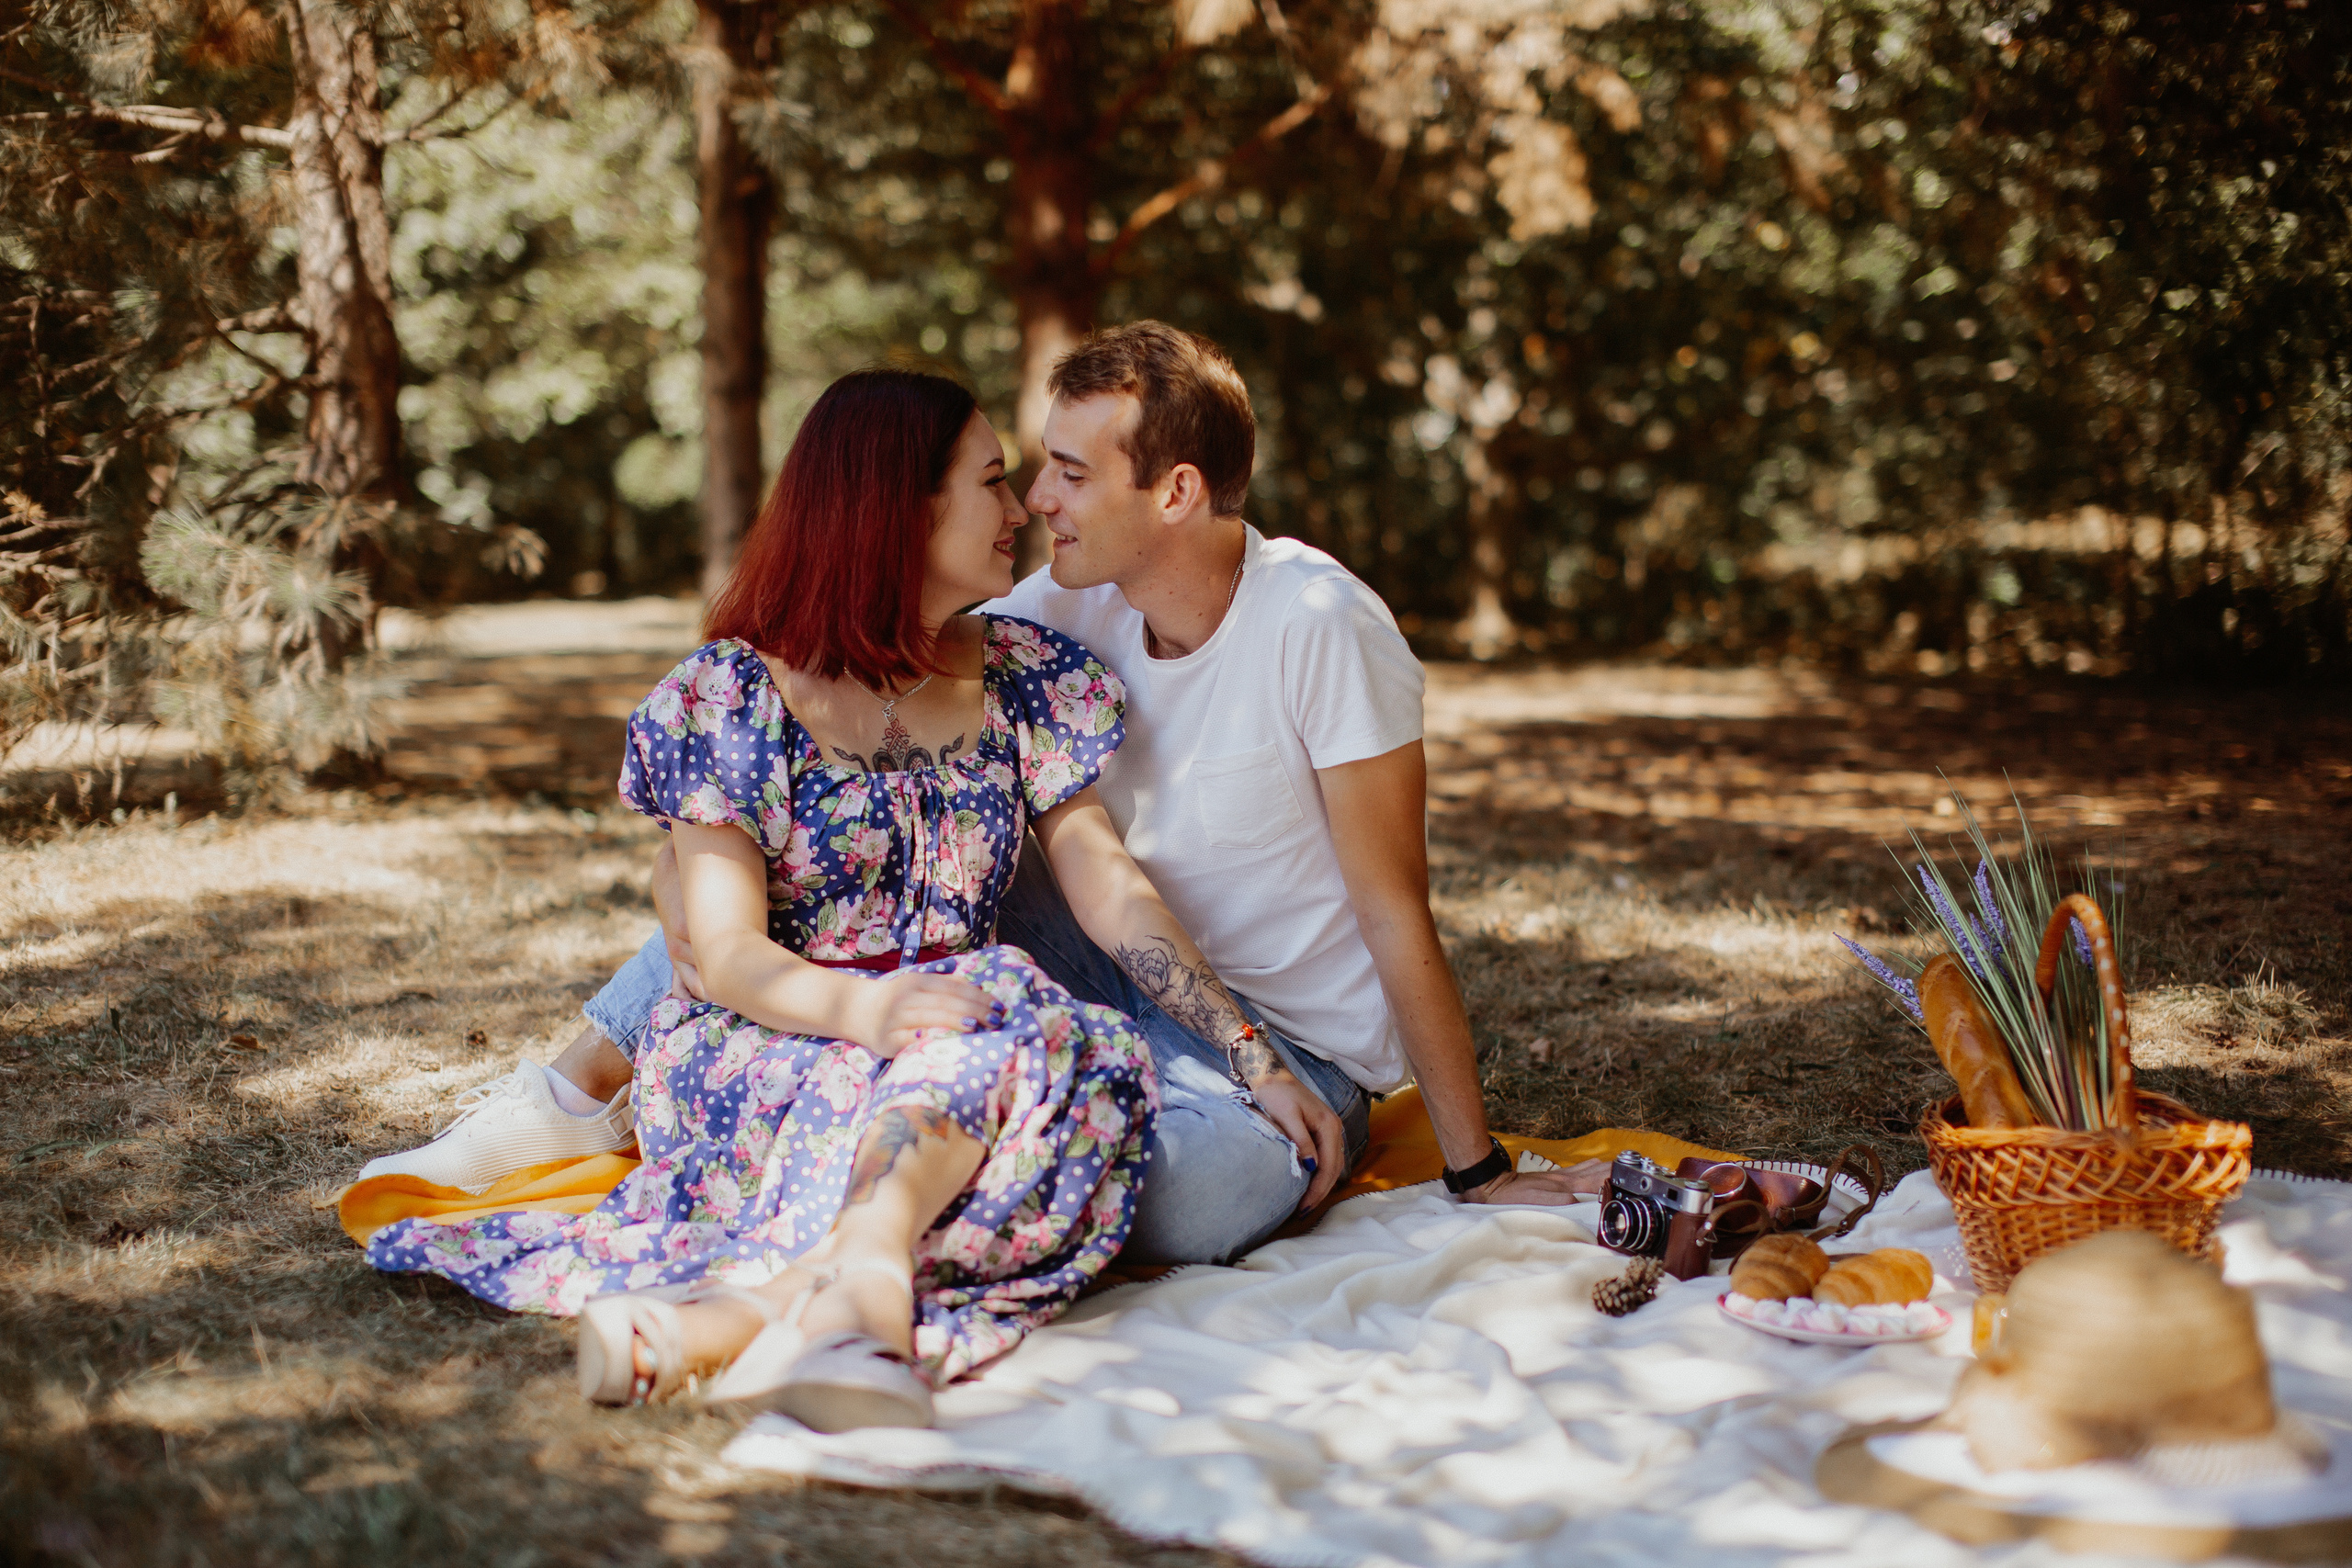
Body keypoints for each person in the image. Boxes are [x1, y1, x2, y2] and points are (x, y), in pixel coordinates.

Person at [360, 321, 1590, 1270]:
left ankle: (884, 1173)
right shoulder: (1062, 593)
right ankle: (572, 1090)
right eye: (1018, 476)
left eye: (1060, 473)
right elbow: (852, 698)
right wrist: (691, 846)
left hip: (1275, 1026)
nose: (1035, 503)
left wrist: (1472, 1162)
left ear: (1170, 493)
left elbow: (1392, 909)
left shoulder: (1318, 622)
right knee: (818, 858)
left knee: (1192, 1201)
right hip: (1085, 958)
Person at [362, 367, 1278, 1427]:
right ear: (900, 507)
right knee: (1017, 1044)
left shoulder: (1028, 676)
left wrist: (1244, 1046)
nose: (1020, 504)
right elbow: (730, 957)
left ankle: (757, 1318)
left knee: (1089, 1055)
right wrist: (869, 1011)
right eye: (989, 481)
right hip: (767, 1052)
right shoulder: (732, 697)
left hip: (947, 1047)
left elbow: (1109, 886)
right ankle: (861, 1289)